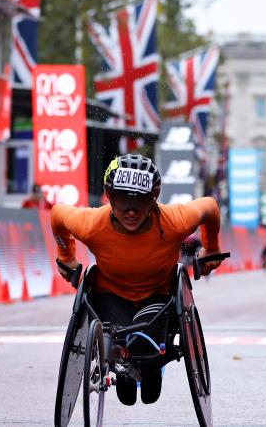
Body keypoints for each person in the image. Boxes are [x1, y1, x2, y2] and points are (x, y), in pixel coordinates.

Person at [51, 154, 222, 406]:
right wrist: (66, 257)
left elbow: (210, 207)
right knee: (127, 391)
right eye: (122, 199)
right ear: (110, 195)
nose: (131, 210)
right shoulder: (91, 224)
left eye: (140, 199)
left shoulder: (173, 221)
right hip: (109, 297)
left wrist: (212, 249)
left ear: (153, 198)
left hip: (158, 300)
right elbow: (57, 215)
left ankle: (149, 367)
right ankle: (124, 367)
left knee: (149, 384)